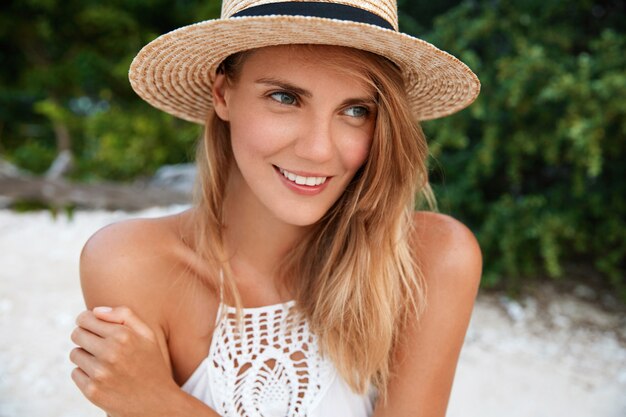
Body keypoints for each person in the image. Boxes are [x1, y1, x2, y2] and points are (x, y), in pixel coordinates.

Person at [69, 1, 482, 416]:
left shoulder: (430, 259)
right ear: (222, 94)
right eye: (285, 98)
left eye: (355, 111)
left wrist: (160, 403)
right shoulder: (132, 263)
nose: (319, 150)